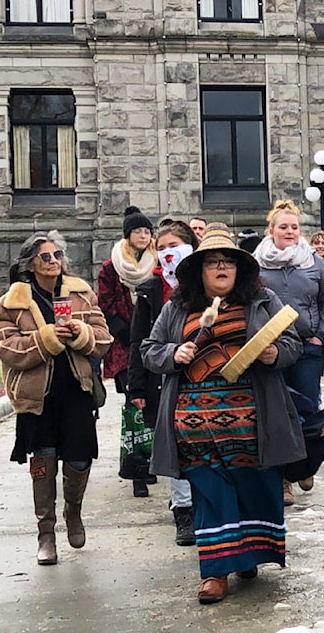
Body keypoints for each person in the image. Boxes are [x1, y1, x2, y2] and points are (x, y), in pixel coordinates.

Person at [142, 222, 305, 605]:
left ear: (240, 270)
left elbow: (293, 344)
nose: (220, 268)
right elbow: (149, 350)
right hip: (194, 427)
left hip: (254, 423)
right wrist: (173, 354)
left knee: (253, 490)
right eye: (212, 262)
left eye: (227, 262)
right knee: (209, 494)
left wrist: (274, 353)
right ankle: (214, 572)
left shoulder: (263, 303)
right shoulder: (175, 309)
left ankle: (246, 556)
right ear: (199, 271)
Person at [0, 231, 112, 565]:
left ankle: (74, 512)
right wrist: (47, 338)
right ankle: (46, 534)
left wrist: (79, 333)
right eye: (46, 256)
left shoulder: (81, 295)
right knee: (43, 463)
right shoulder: (10, 304)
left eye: (57, 254)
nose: (54, 261)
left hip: (76, 391)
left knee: (79, 459)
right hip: (36, 397)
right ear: (30, 264)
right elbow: (6, 348)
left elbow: (103, 339)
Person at [252, 201, 324, 503]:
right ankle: (284, 477)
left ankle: (306, 462)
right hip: (271, 350)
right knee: (277, 412)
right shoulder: (256, 263)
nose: (289, 231)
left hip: (306, 347)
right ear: (271, 230)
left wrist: (320, 336)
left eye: (294, 227)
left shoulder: (313, 261)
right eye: (283, 227)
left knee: (308, 408)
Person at [128, 219, 198, 546]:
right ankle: (182, 509)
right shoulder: (151, 291)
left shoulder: (207, 285)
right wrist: (136, 388)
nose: (169, 253)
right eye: (163, 248)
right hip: (163, 379)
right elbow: (139, 341)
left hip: (205, 380)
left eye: (175, 246)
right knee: (172, 445)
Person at [98, 206, 158, 497]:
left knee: (155, 402)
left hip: (154, 342)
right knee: (134, 404)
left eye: (147, 231)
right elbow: (105, 303)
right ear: (128, 235)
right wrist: (126, 331)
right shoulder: (112, 267)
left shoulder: (157, 262)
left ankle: (154, 460)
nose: (143, 236)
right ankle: (136, 468)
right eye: (138, 231)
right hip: (123, 346)